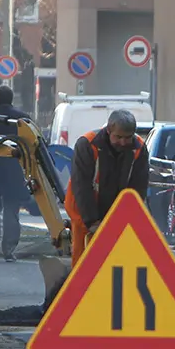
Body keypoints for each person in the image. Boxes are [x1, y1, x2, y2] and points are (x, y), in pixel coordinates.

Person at [65, 109, 149, 265]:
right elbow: (81, 186)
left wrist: (126, 220)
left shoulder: (139, 149)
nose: (123, 142)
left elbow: (138, 188)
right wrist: (92, 222)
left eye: (127, 138)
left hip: (116, 213)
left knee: (117, 263)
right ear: (108, 130)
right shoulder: (87, 144)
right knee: (83, 261)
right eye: (118, 137)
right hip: (84, 213)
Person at [0, 85, 30, 262]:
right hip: (13, 169)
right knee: (12, 209)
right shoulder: (22, 118)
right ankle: (9, 248)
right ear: (11, 99)